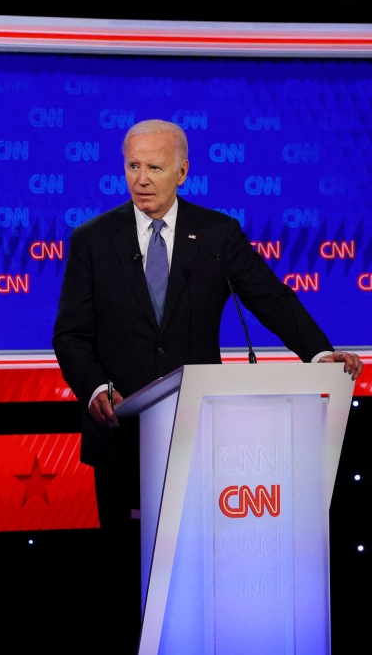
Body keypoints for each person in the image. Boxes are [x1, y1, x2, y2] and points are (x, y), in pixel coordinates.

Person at [51, 119, 362, 650]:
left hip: (200, 435)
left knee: (198, 569)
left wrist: (317, 352)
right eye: (132, 166)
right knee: (127, 575)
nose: (141, 179)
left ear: (182, 171)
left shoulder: (216, 235)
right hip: (123, 436)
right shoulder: (93, 240)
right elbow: (71, 335)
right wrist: (97, 389)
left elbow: (271, 299)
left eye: (154, 166)